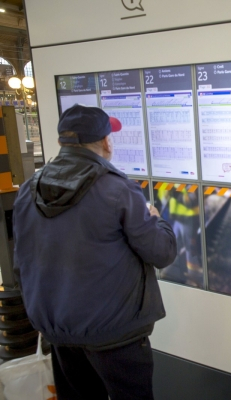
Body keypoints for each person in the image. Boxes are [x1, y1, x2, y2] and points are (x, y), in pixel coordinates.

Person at [12, 105, 177, 399]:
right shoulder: (117, 190)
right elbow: (161, 252)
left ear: (62, 142)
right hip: (115, 334)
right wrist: (156, 219)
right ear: (106, 142)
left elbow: (21, 265)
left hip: (60, 331)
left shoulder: (28, 189)